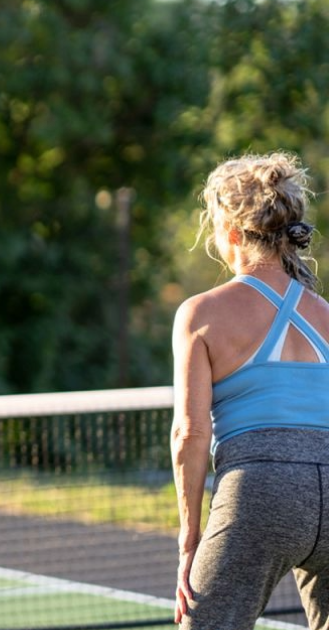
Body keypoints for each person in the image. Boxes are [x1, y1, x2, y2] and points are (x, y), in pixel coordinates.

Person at [171, 151, 329, 629]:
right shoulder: (326, 312)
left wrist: (190, 540)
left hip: (260, 491)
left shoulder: (201, 313)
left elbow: (189, 434)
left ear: (232, 233)